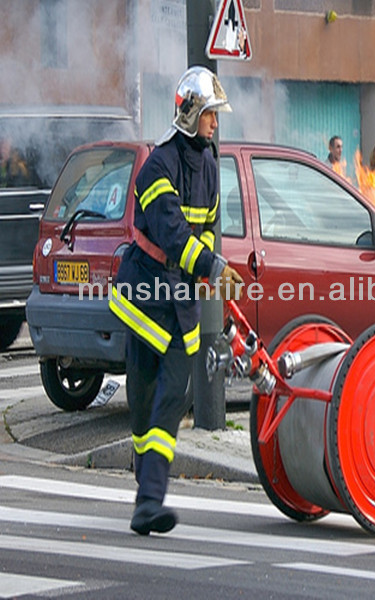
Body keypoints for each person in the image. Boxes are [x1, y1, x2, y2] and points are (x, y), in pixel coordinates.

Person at [109, 66, 243, 536]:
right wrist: (210, 267)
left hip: (179, 296)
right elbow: (171, 231)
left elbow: (205, 228)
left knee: (174, 394)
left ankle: (148, 498)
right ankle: (146, 478)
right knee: (147, 399)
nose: (215, 122)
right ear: (188, 112)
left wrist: (210, 271)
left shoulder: (208, 164)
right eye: (209, 113)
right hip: (145, 296)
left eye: (215, 115)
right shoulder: (156, 166)